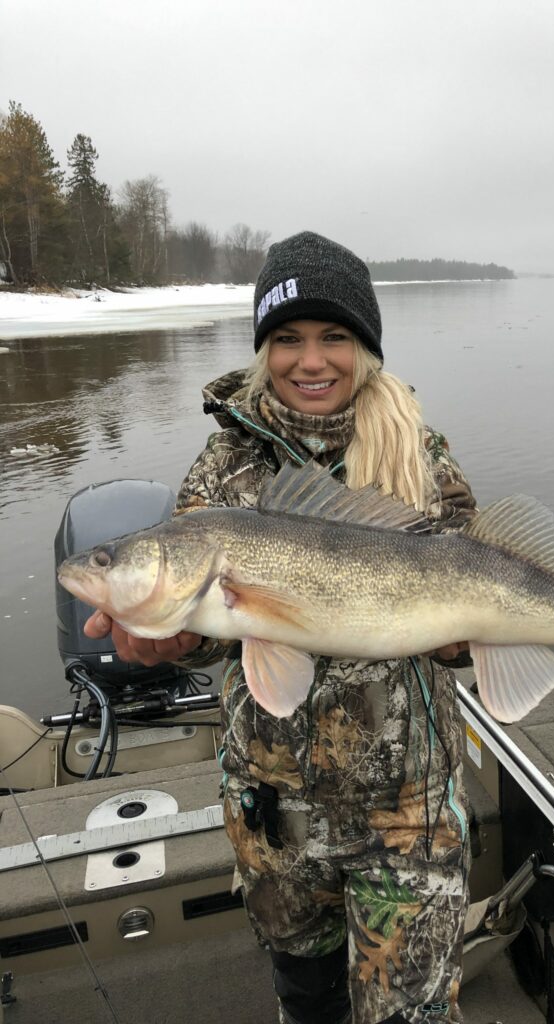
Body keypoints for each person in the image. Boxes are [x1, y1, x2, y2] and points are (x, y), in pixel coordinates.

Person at [85, 232, 478, 1024]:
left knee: (411, 1015)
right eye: (288, 339)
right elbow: (204, 621)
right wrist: (159, 638)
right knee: (306, 1003)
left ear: (364, 348)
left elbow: (472, 586)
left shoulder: (421, 455)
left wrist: (463, 638)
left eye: (335, 336)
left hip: (410, 812)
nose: (311, 360)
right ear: (264, 349)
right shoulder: (222, 469)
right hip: (275, 813)